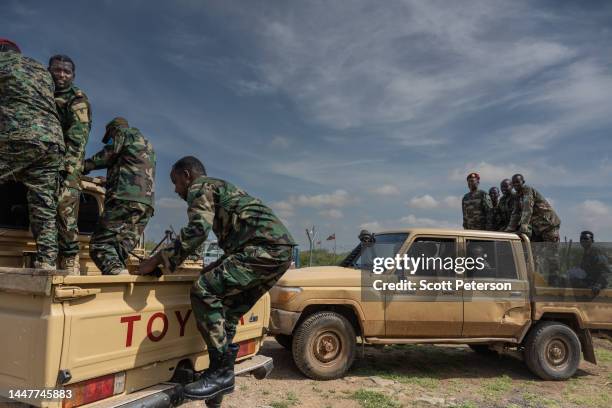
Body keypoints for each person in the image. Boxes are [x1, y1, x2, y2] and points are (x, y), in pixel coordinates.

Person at [137, 156, 295, 400]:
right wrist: (214, 265)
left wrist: (157, 260)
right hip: (276, 253)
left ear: (187, 175)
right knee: (228, 312)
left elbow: (198, 231)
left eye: (176, 181)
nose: (176, 189)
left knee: (204, 289)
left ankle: (221, 374)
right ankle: (219, 377)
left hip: (264, 250)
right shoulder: (219, 188)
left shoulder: (201, 187)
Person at [0, 39, 64, 269]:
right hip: (52, 143)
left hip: (18, 136)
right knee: (43, 204)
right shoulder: (40, 70)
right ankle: (47, 261)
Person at [82, 117, 155, 275]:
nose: (110, 140)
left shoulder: (123, 133)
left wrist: (83, 166)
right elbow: (137, 173)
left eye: (110, 137)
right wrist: (109, 182)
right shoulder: (146, 143)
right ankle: (120, 273)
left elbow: (107, 155)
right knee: (118, 248)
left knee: (99, 245)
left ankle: (115, 272)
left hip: (124, 200)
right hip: (146, 205)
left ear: (113, 130)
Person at [48, 54, 91, 274]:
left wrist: (67, 168)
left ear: (73, 76)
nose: (61, 75)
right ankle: (48, 256)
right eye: (57, 70)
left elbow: (78, 138)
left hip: (67, 165)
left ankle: (70, 258)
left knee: (65, 212)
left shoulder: (77, 98)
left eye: (66, 71)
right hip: (43, 162)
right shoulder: (42, 92)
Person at [505, 174, 560, 241]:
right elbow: (515, 213)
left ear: (523, 182)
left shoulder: (527, 190)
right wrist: (509, 229)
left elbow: (527, 209)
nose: (516, 184)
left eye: (518, 182)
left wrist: (523, 226)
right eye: (514, 183)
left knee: (550, 249)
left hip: (549, 224)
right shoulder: (517, 195)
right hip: (538, 227)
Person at [570, 231, 610, 295]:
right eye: (581, 239)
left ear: (592, 241)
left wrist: (598, 285)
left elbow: (606, 271)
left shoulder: (597, 253)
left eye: (586, 239)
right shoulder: (584, 254)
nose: (583, 241)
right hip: (588, 283)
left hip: (597, 288)